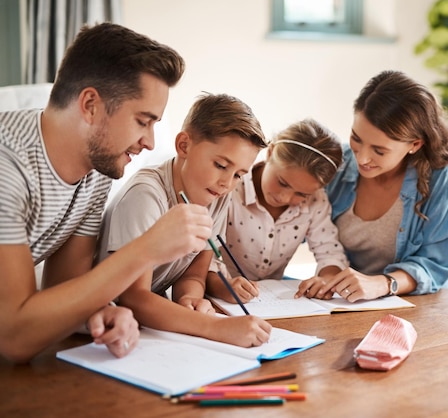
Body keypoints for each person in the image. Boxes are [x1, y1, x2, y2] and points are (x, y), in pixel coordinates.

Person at [0, 23, 215, 363]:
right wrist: (146, 249)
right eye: (143, 121)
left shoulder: (95, 170)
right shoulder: (6, 163)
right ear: (90, 105)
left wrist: (99, 313)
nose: (150, 142)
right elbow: (12, 338)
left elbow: (63, 290)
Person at [96, 93, 272, 347]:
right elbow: (133, 297)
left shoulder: (218, 196)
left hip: (146, 325)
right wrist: (216, 327)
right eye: (221, 165)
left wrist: (189, 299)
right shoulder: (146, 195)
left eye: (239, 175)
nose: (227, 183)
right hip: (103, 321)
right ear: (184, 146)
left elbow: (194, 273)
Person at [295, 70, 448, 302]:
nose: (362, 158)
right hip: (351, 302)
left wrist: (384, 284)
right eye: (356, 138)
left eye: (379, 150)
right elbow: (295, 225)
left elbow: (437, 263)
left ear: (414, 144)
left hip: (423, 300)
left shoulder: (444, 177)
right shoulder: (339, 165)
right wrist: (330, 276)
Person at [208, 118, 348, 303]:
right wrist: (222, 287)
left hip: (272, 301)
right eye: (282, 182)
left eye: (301, 194)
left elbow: (330, 252)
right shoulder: (230, 188)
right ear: (271, 152)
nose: (285, 198)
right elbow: (200, 258)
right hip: (219, 297)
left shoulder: (316, 201)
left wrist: (326, 279)